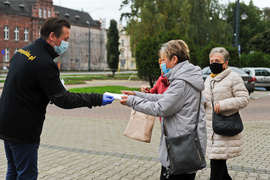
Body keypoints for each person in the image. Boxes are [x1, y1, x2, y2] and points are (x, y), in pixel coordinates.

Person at [0, 17, 114, 180]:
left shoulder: (23, 51)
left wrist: (47, 91)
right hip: (23, 129)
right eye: (66, 39)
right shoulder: (45, 63)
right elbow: (64, 100)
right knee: (27, 175)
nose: (67, 44)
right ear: (52, 36)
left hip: (6, 122)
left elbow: (26, 83)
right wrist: (97, 98)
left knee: (13, 170)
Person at [119, 39, 207, 180]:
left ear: (174, 59)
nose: (161, 63)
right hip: (185, 144)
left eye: (164, 59)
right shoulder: (185, 78)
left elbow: (161, 107)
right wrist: (136, 94)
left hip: (180, 147)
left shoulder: (181, 82)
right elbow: (164, 98)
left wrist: (132, 101)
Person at [202, 47, 249, 180]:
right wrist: (202, 102)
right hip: (210, 129)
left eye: (217, 60)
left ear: (225, 63)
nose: (213, 63)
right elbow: (206, 99)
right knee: (220, 168)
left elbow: (244, 99)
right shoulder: (208, 80)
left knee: (216, 166)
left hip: (224, 127)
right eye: (211, 60)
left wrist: (223, 105)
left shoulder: (234, 77)